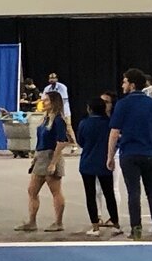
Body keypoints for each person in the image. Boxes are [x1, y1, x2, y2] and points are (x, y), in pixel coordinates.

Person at [108, 69, 152, 239]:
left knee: (133, 193)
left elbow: (114, 132)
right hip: (150, 153)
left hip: (130, 154)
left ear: (132, 85)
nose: (123, 85)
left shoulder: (123, 104)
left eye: (125, 82)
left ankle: (136, 230)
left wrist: (110, 156)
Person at [21, 90, 70, 232]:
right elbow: (40, 140)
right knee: (32, 190)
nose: (44, 102)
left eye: (47, 100)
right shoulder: (45, 119)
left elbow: (62, 142)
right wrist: (35, 158)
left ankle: (58, 222)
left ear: (54, 102)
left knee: (55, 191)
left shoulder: (59, 120)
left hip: (51, 156)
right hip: (41, 156)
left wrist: (54, 162)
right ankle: (31, 222)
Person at [75, 92, 119, 234]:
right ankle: (116, 223)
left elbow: (80, 142)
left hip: (87, 162)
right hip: (104, 162)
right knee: (109, 193)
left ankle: (95, 226)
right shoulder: (109, 124)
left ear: (90, 109)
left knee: (90, 194)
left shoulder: (84, 123)